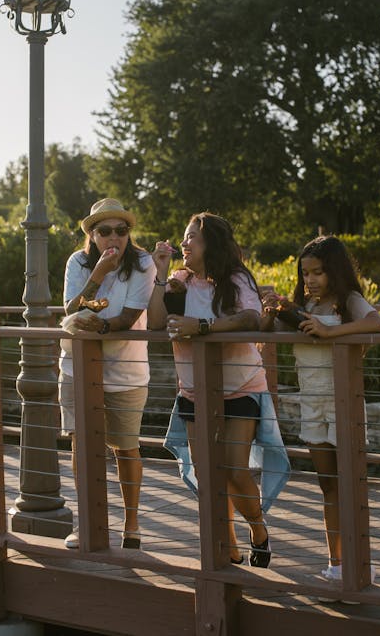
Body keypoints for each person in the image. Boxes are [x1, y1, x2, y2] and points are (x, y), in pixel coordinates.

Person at [148, 212, 290, 567]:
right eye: (183, 237)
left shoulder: (236, 278)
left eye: (192, 237)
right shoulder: (179, 282)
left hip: (240, 387)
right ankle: (228, 545)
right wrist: (161, 274)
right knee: (208, 473)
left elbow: (250, 318)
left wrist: (203, 327)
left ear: (211, 242)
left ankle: (258, 530)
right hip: (195, 390)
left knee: (233, 469)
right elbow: (152, 324)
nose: (184, 243)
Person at [260, 235, 380, 585]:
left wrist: (332, 332)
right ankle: (336, 561)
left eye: (318, 272)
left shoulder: (348, 302)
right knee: (327, 486)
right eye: (305, 274)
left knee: (350, 484)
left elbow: (376, 323)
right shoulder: (305, 308)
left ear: (335, 270)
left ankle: (360, 561)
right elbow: (265, 333)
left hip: (342, 404)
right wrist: (272, 312)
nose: (310, 280)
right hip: (310, 405)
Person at [58, 198, 156, 550]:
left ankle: (132, 524)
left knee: (126, 448)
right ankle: (88, 523)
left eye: (121, 230)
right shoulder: (78, 263)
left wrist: (95, 327)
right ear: (93, 235)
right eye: (105, 231)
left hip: (126, 370)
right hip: (77, 368)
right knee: (82, 445)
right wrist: (97, 275)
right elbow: (69, 309)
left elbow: (129, 317)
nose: (114, 237)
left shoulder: (143, 263)